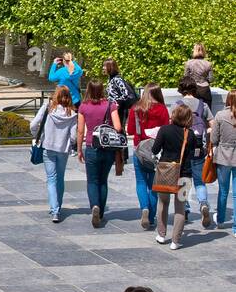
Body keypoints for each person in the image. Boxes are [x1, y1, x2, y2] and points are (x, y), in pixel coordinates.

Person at [76, 80, 120, 228]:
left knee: (92, 180)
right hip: (107, 147)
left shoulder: (83, 106)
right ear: (102, 90)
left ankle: (94, 206)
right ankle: (100, 213)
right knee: (103, 180)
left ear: (88, 90)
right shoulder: (110, 105)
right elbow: (119, 127)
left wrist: (79, 149)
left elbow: (80, 130)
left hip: (91, 146)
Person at [31, 85, 78, 222]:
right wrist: (68, 142)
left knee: (51, 178)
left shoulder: (48, 108)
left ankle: (54, 210)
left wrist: (37, 136)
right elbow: (74, 137)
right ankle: (58, 206)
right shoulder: (72, 114)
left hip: (48, 147)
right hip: (63, 149)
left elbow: (33, 125)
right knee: (60, 178)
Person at [127, 84, 169, 231]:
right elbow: (166, 129)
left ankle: (144, 208)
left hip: (139, 149)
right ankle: (151, 218)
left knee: (140, 181)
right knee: (153, 185)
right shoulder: (162, 109)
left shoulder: (136, 108)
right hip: (156, 152)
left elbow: (130, 130)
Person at [154, 103, 195, 250]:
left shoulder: (164, 130)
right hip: (185, 175)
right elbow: (196, 154)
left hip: (166, 171)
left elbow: (155, 149)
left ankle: (161, 234)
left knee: (162, 203)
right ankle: (176, 241)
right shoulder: (190, 134)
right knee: (180, 208)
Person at [177, 76, 214, 226]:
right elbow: (212, 124)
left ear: (181, 90)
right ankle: (203, 204)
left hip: (182, 148)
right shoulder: (202, 105)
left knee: (184, 179)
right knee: (199, 180)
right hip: (199, 147)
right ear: (194, 89)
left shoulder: (177, 105)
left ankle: (184, 210)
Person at [212, 92, 236, 230]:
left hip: (224, 156)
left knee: (223, 190)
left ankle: (220, 220)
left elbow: (214, 139)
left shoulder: (220, 115)